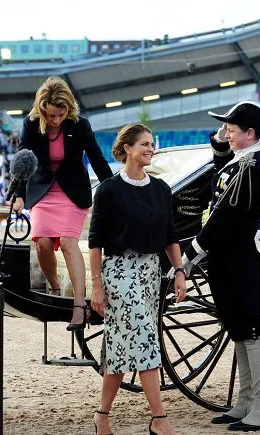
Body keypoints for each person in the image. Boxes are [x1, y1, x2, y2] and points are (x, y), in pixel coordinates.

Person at [179, 101, 260, 431]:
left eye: (233, 131)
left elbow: (224, 215)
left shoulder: (252, 164)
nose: (227, 135)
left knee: (252, 329)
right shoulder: (242, 161)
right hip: (229, 257)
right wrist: (221, 148)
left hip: (243, 258)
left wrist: (192, 252)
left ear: (251, 133)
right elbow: (219, 190)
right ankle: (247, 402)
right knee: (238, 330)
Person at [88, 124, 187, 435]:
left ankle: (101, 415)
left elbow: (171, 235)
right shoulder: (109, 190)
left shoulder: (161, 189)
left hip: (150, 274)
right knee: (146, 337)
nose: (150, 148)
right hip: (118, 272)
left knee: (119, 348)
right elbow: (95, 241)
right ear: (127, 149)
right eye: (144, 144)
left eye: (152, 144)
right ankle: (159, 419)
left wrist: (180, 271)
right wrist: (96, 286)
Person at [13, 76, 113, 330]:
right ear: (42, 110)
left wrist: (113, 188)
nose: (55, 120)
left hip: (72, 193)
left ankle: (80, 305)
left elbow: (97, 159)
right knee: (43, 244)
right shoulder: (31, 124)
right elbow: (23, 161)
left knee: (69, 243)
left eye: (59, 115)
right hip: (42, 192)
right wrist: (17, 195)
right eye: (50, 115)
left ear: (67, 109)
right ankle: (55, 288)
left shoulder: (80, 126)